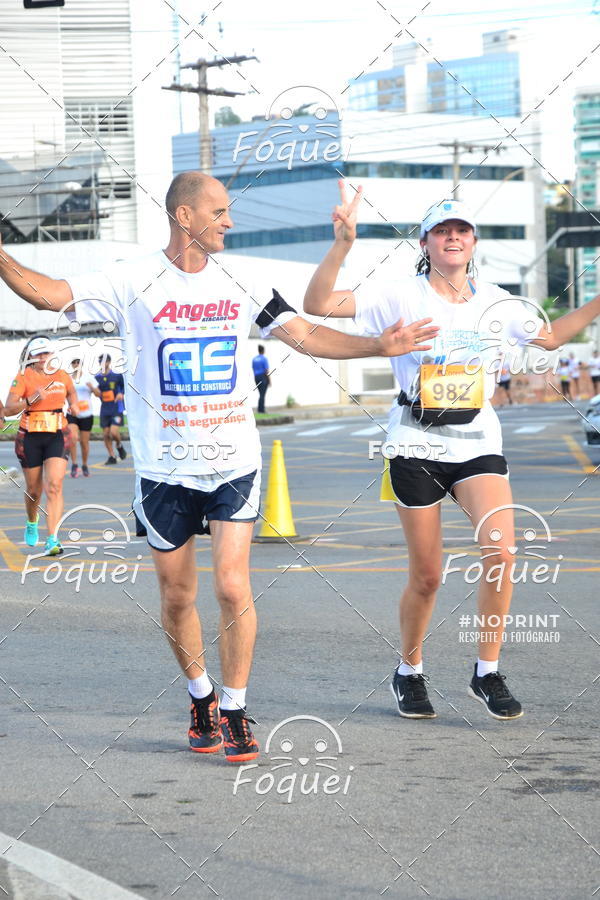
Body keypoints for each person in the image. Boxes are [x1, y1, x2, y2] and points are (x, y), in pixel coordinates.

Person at [0, 171, 438, 762]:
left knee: (233, 586)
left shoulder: (244, 278)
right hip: (162, 468)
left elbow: (304, 334)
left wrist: (377, 346)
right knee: (177, 594)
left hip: (233, 459)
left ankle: (233, 707)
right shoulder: (132, 279)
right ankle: (200, 695)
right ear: (184, 217)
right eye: (220, 212)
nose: (230, 222)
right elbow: (45, 293)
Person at [304, 185, 600, 721]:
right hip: (415, 439)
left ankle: (486, 671)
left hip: (478, 440)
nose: (454, 237)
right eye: (443, 230)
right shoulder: (399, 294)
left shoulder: (498, 302)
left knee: (503, 555)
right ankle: (409, 669)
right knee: (429, 575)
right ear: (426, 243)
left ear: (474, 241)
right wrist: (342, 245)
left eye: (462, 229)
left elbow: (552, 338)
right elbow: (317, 305)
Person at [3, 335, 79, 555]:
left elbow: (72, 392)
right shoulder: (23, 377)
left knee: (54, 485)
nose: (44, 358)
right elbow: (8, 410)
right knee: (34, 490)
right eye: (39, 354)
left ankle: (53, 539)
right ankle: (31, 521)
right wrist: (31, 400)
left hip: (57, 434)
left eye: (47, 353)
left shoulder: (62, 375)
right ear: (31, 358)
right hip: (30, 437)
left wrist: (73, 404)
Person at [90, 354, 127, 465]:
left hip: (116, 408)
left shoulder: (117, 376)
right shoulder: (97, 378)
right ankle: (112, 456)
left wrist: (121, 394)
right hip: (105, 408)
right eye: (100, 361)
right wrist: (94, 390)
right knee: (106, 434)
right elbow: (96, 393)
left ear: (109, 362)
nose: (102, 364)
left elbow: (124, 387)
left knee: (113, 432)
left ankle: (119, 446)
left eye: (104, 361)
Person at [66, 357, 95, 477]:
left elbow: (99, 394)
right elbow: (64, 393)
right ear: (72, 365)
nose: (76, 364)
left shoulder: (88, 378)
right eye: (74, 362)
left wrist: (91, 387)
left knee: (84, 442)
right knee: (73, 438)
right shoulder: (68, 379)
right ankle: (74, 464)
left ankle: (84, 465)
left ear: (81, 364)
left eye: (78, 362)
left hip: (86, 413)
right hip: (72, 412)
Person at [252, 344, 270, 414]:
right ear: (263, 350)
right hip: (263, 377)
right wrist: (269, 380)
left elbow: (253, 368)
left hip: (256, 377)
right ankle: (261, 410)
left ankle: (260, 409)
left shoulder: (254, 359)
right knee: (262, 394)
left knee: (260, 393)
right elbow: (266, 370)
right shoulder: (264, 358)